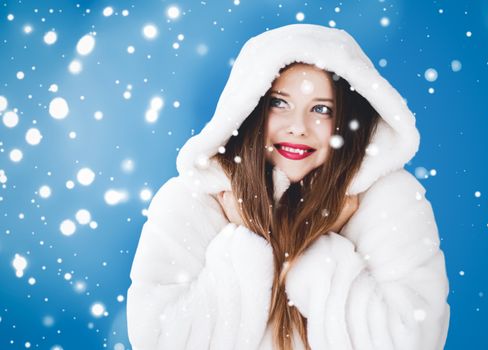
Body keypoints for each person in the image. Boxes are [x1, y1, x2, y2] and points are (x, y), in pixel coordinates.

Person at [126, 23, 450, 350]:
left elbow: (412, 339)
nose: (298, 127)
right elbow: (157, 339)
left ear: (347, 122)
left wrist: (309, 246)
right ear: (250, 109)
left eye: (321, 109)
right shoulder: (193, 200)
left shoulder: (390, 202)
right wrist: (252, 239)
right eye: (280, 103)